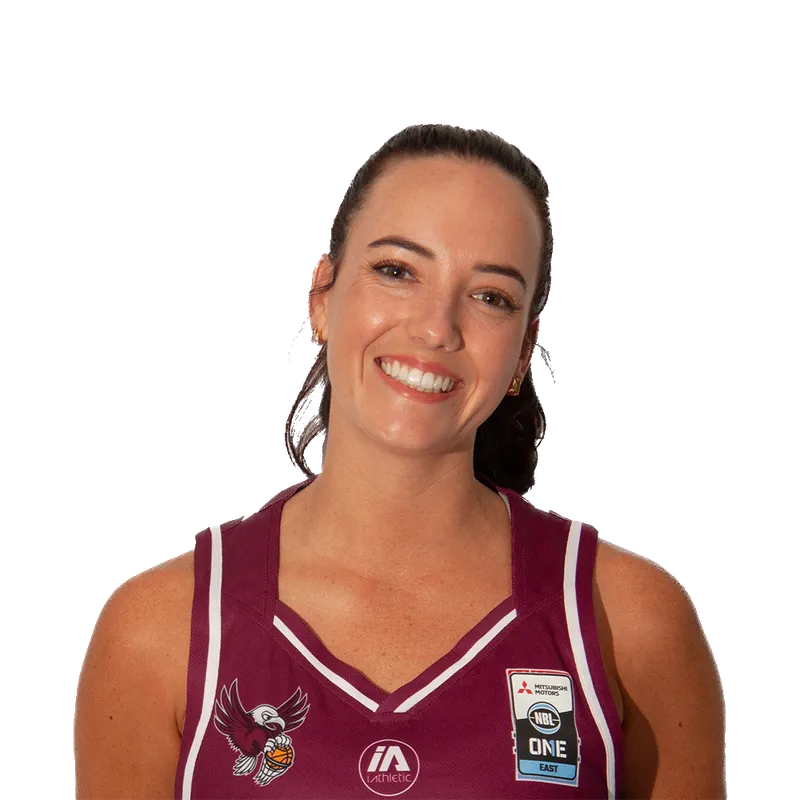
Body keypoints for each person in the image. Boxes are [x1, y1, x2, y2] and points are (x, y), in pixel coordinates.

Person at [74, 123, 726, 798]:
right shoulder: (162, 632)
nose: (437, 327)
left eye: (491, 296)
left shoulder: (628, 623)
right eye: (396, 271)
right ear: (322, 295)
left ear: (524, 351)